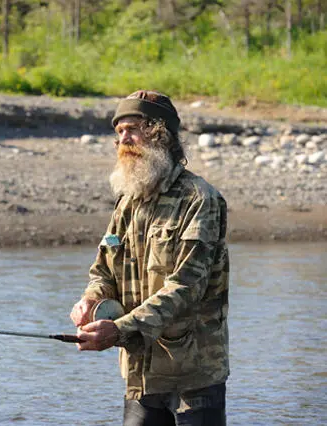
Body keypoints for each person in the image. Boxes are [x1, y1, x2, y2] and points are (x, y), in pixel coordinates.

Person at [70, 90, 229, 426]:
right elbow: (103, 271)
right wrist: (90, 299)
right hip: (141, 374)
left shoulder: (200, 199)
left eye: (132, 128)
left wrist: (118, 330)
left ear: (161, 132)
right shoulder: (127, 201)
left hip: (194, 375)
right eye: (118, 132)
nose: (122, 139)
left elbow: (187, 287)